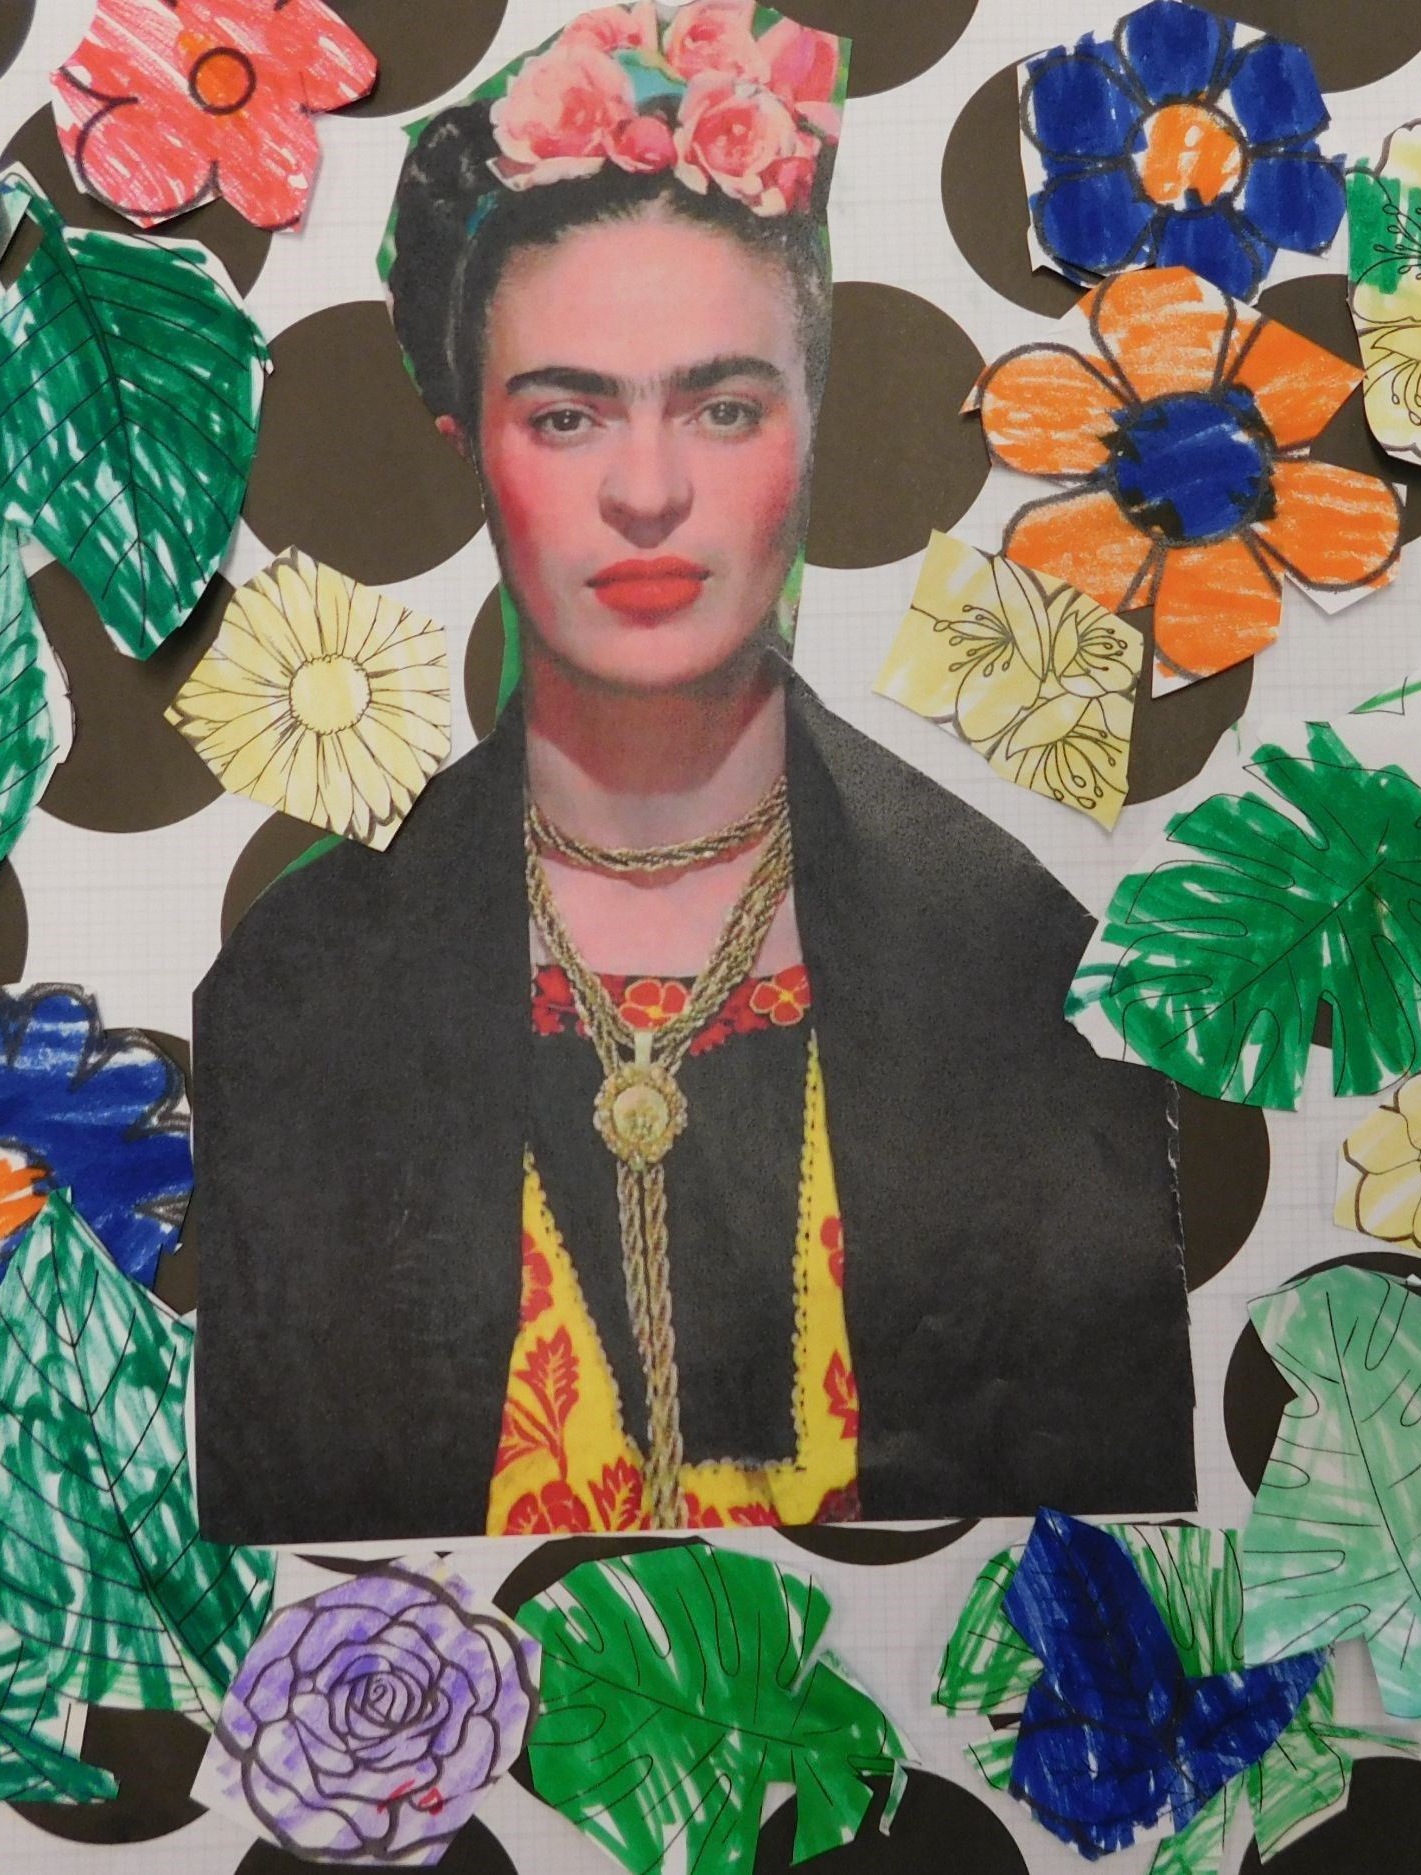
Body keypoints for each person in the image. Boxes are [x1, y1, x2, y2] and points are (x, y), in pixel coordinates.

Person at [192, 3, 1195, 1543]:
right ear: (467, 444)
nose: (649, 491)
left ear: (813, 429)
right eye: (566, 415)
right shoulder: (298, 989)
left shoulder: (1024, 955)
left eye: (722, 409)